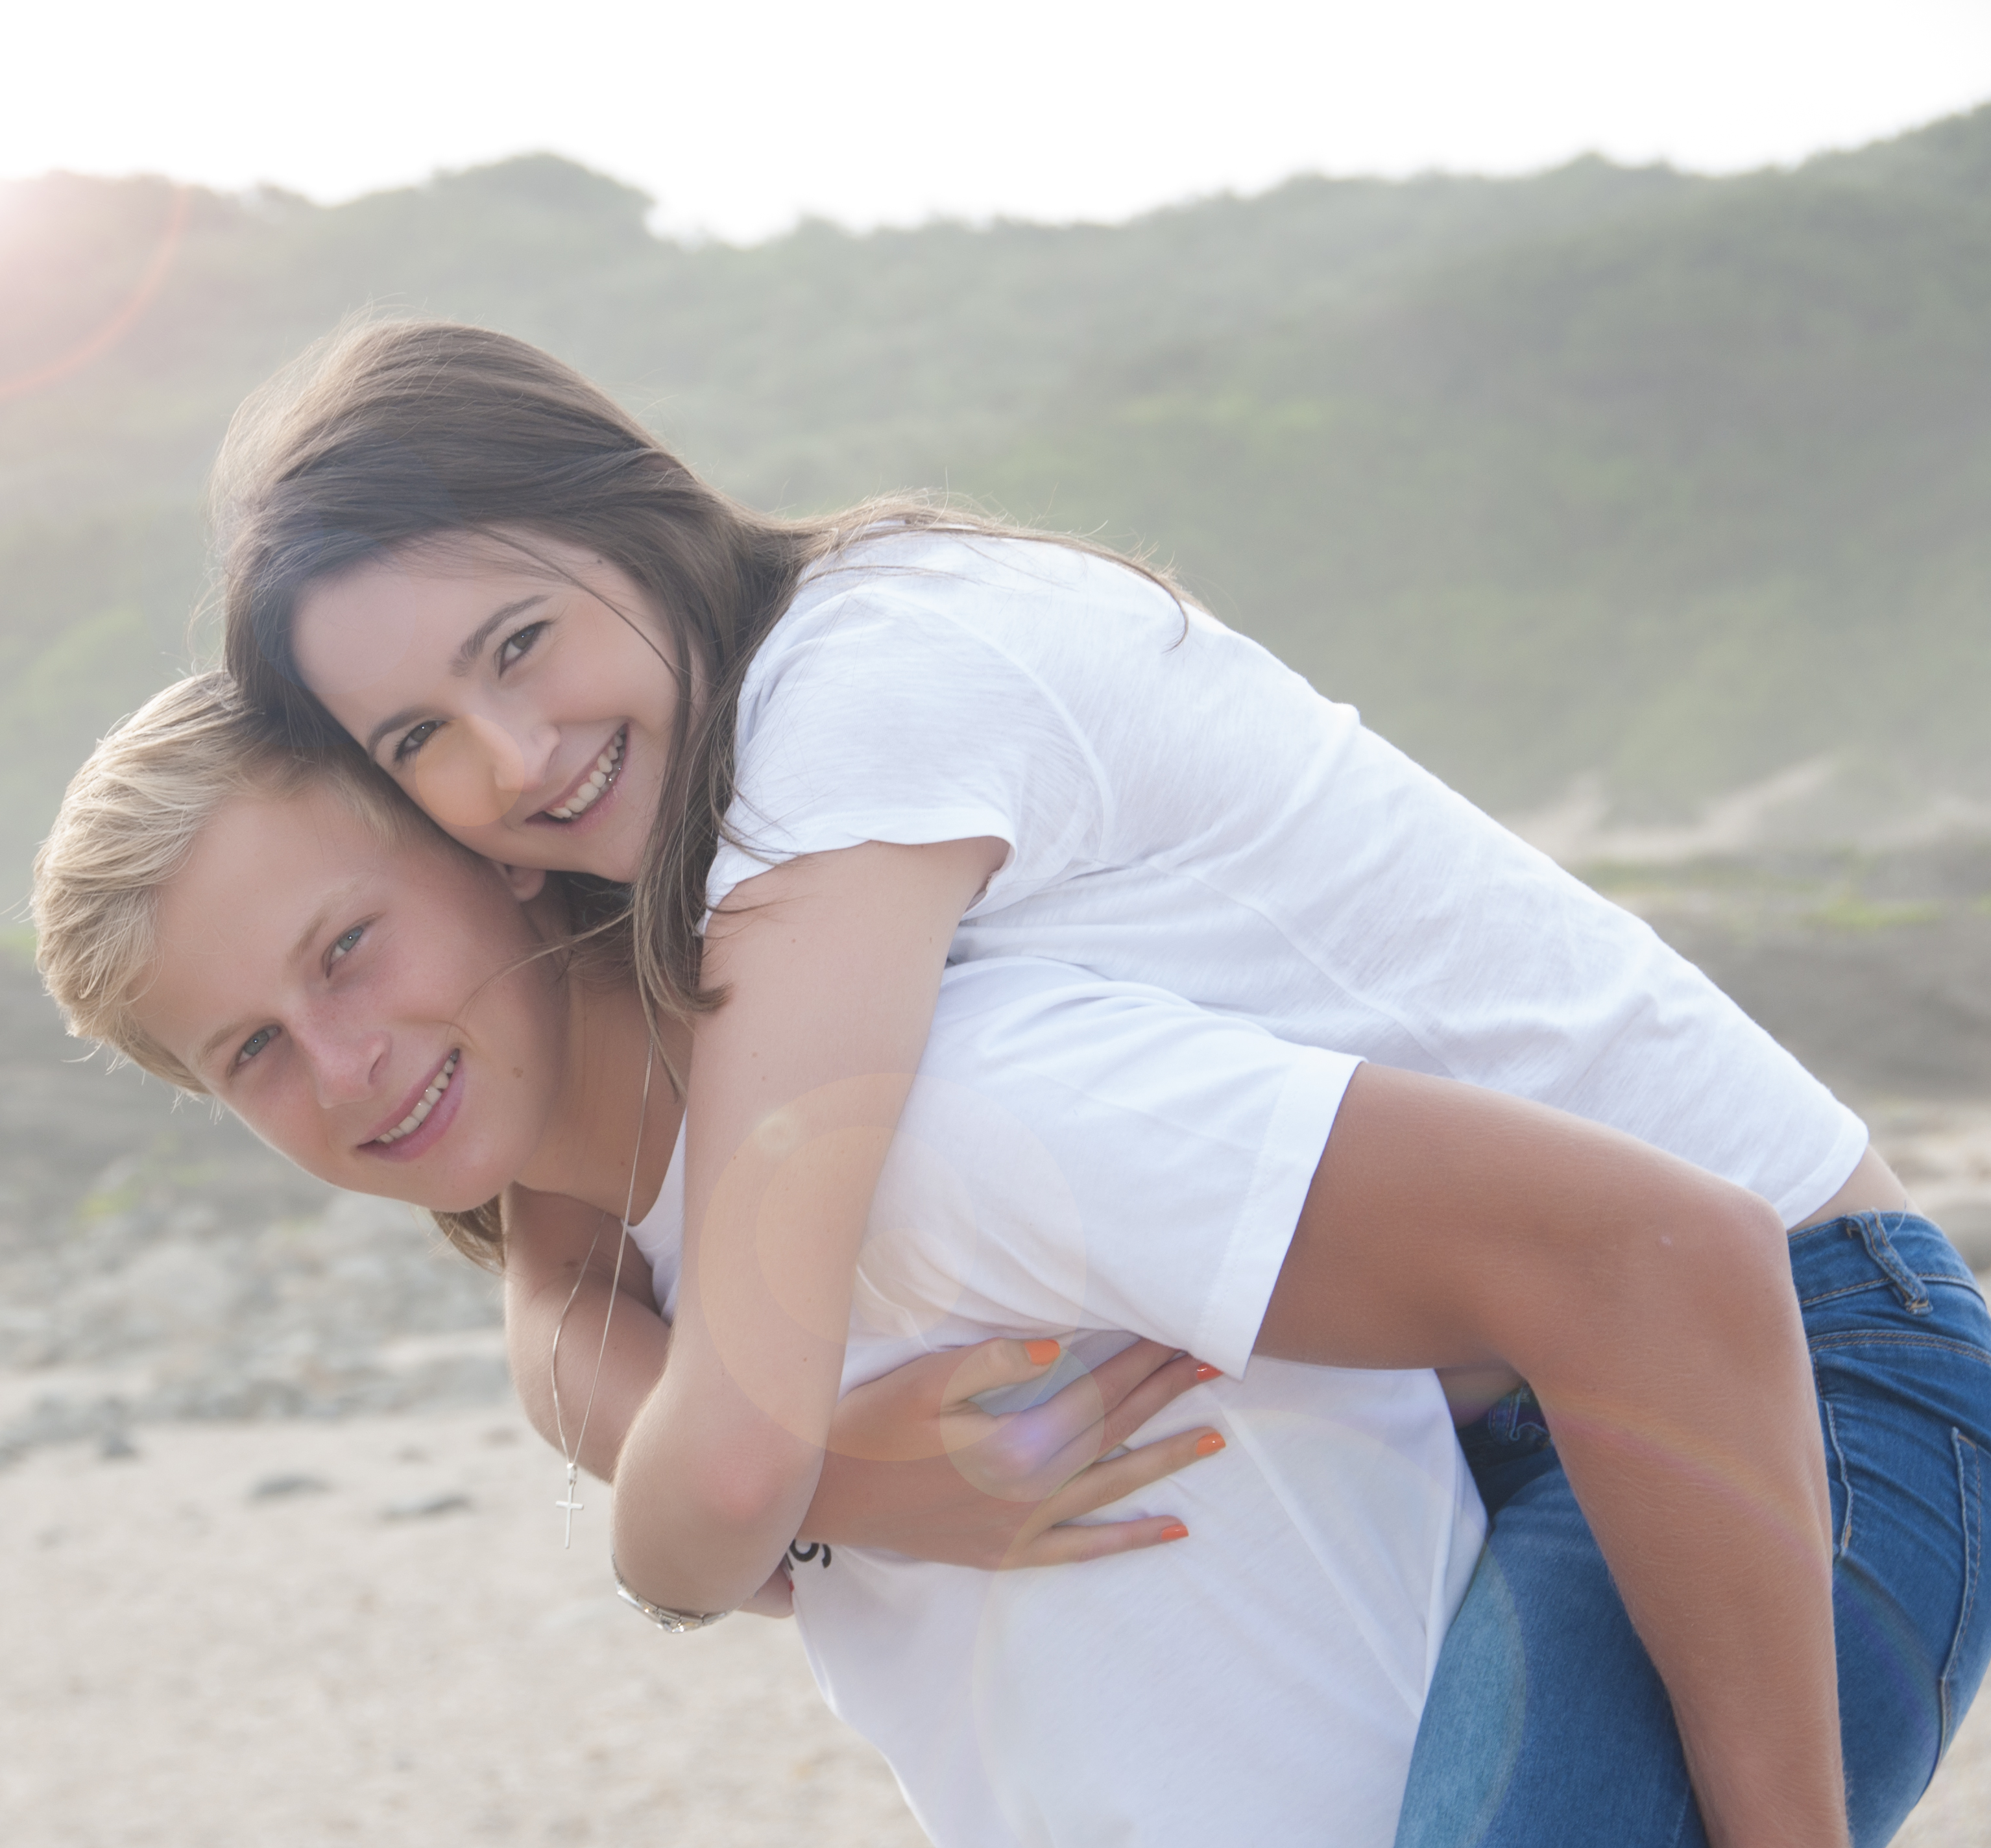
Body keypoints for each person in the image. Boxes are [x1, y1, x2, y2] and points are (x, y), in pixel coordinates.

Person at [209, 319, 1991, 1846]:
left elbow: (722, 1461)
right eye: (418, 739)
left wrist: (719, 1526)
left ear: (629, 512)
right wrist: (791, 1470)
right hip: (1526, 1381)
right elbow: (567, 1250)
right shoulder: (694, 813)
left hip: (1793, 1361)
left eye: (519, 641)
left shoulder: (851, 726)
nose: (513, 756)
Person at [36, 676, 1596, 1842]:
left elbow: (1587, 1264)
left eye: (345, 947)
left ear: (491, 847)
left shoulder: (951, 1105)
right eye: (251, 1050)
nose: (342, 1064)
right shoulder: (636, 1277)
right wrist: (810, 1478)